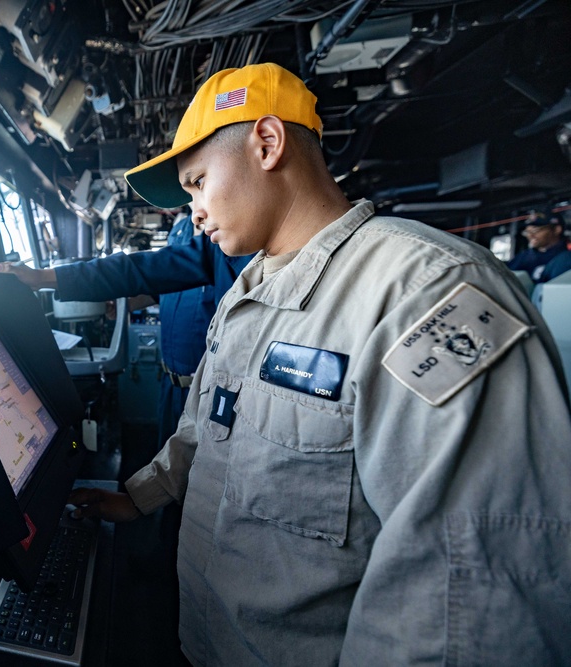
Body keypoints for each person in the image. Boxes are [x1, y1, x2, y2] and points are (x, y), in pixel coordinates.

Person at [67, 62, 571, 666]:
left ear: (268, 143)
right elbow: (209, 426)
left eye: (198, 182)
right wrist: (140, 495)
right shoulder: (244, 295)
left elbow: (473, 591)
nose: (194, 214)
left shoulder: (428, 296)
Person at [0, 217, 251, 454]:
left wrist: (44, 278)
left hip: (208, 388)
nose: (198, 212)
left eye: (199, 181)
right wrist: (130, 302)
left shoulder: (229, 240)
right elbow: (164, 276)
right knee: (170, 463)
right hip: (170, 384)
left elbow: (146, 269)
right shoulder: (181, 230)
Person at [507, 214, 567, 282]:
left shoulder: (565, 258)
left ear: (557, 229)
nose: (530, 236)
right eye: (527, 232)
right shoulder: (522, 257)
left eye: (535, 230)